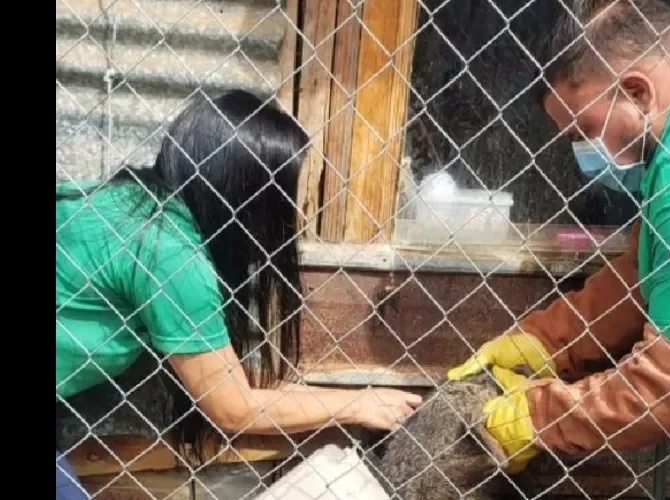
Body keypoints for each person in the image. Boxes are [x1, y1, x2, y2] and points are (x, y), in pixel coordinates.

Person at [447, 1, 670, 499]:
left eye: (583, 131)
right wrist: (553, 341)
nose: (579, 153)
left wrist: (537, 416)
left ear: (635, 91)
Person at [56, 90, 422, 499]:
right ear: (248, 198)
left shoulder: (126, 199)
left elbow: (229, 381)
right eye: (285, 198)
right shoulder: (170, 256)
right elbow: (233, 407)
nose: (296, 215)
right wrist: (358, 405)